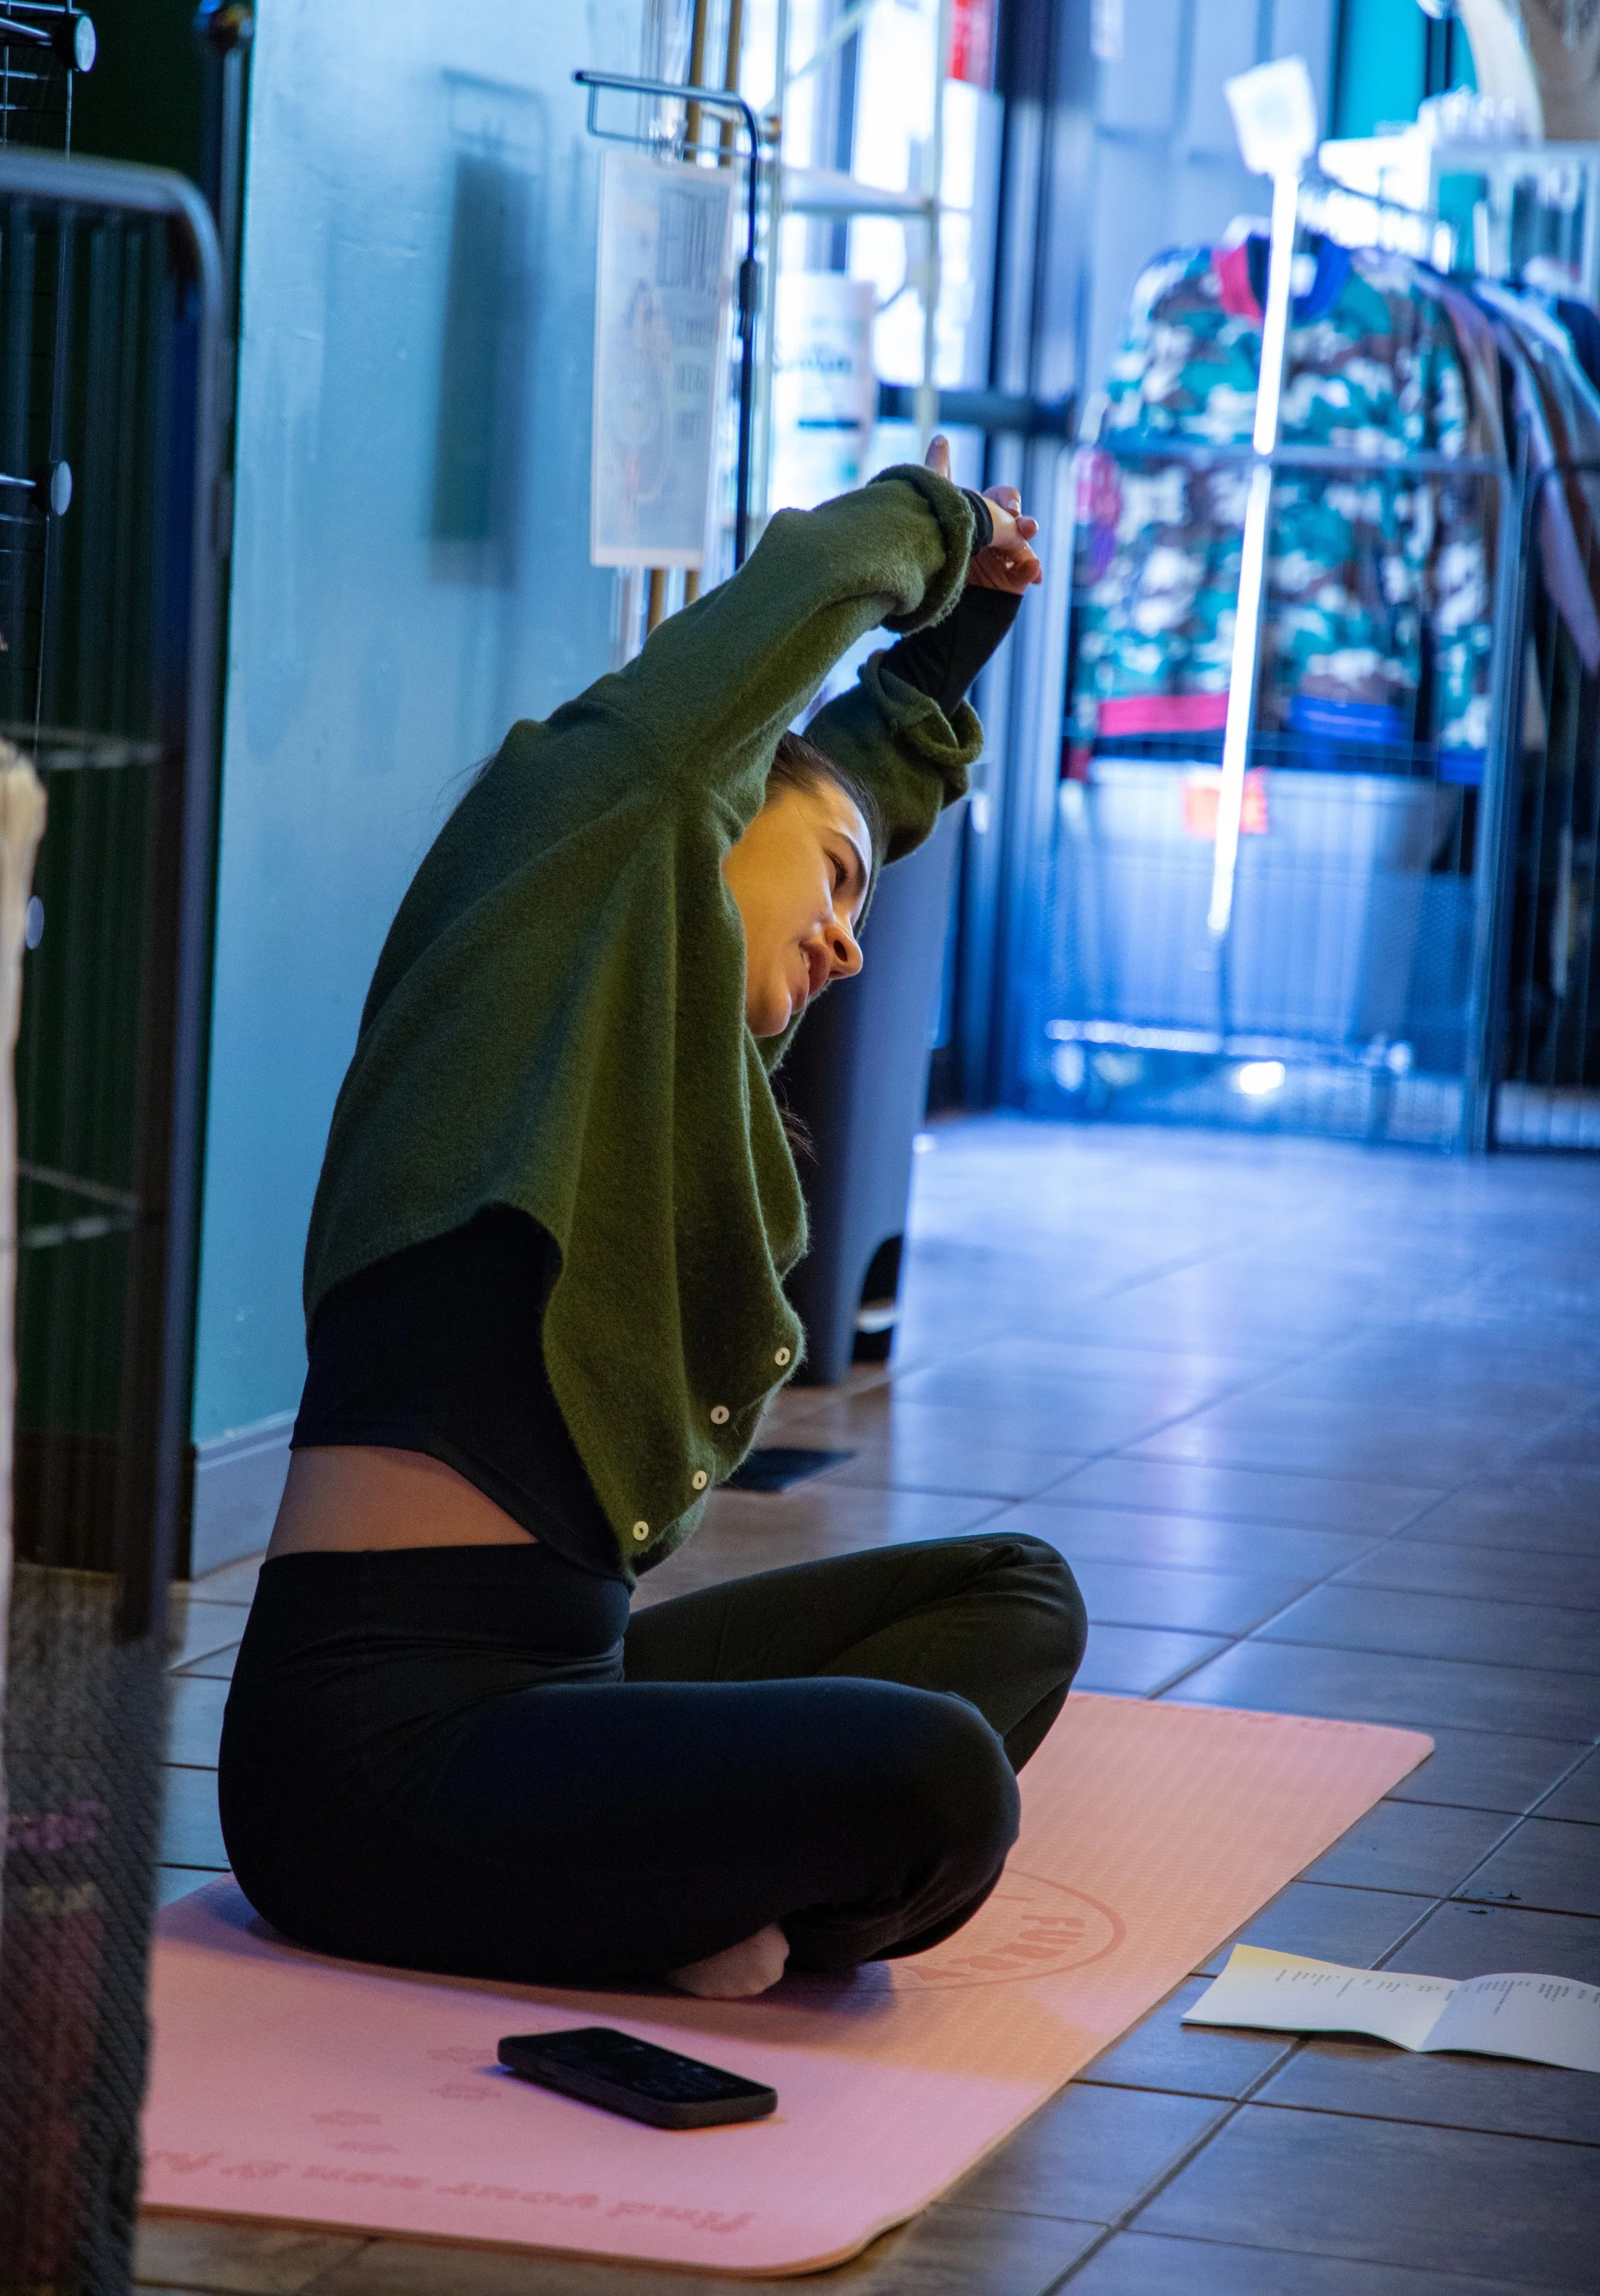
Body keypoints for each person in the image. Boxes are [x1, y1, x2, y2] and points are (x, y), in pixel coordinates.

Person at [218, 435, 1087, 2001]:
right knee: (939, 1778)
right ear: (702, 814)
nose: (844, 943)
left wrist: (947, 664)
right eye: (831, 885)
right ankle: (691, 1898)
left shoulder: (666, 1068)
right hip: (367, 1760)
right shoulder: (563, 867)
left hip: (561, 1691)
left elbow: (843, 794)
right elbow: (780, 631)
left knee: (1015, 1596)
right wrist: (937, 531)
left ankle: (680, 1896)